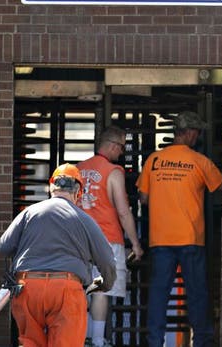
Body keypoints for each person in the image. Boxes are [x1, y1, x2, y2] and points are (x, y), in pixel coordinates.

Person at [0, 163, 117, 347]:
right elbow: (107, 260)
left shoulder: (29, 212)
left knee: (30, 343)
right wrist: (105, 284)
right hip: (66, 290)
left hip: (28, 288)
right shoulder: (85, 220)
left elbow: (4, 247)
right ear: (78, 191)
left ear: (52, 186)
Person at [136, 111, 222, 347]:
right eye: (197, 132)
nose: (198, 136)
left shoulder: (153, 160)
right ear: (190, 132)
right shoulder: (199, 160)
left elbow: (143, 197)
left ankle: (154, 342)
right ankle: (202, 341)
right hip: (191, 238)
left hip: (160, 239)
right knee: (196, 293)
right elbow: (220, 188)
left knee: (158, 294)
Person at [77, 125, 145, 347]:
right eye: (122, 148)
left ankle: (79, 338)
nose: (122, 153)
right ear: (113, 145)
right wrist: (135, 243)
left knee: (79, 291)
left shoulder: (76, 170)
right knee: (100, 291)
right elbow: (124, 212)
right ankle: (96, 340)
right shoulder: (113, 172)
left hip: (79, 240)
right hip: (106, 239)